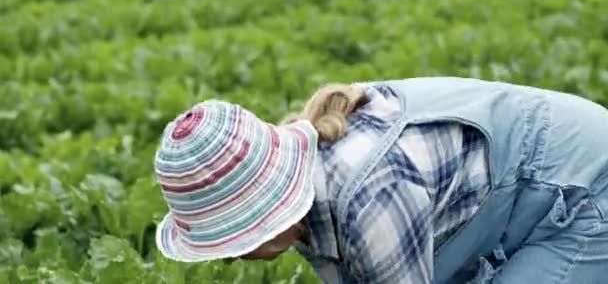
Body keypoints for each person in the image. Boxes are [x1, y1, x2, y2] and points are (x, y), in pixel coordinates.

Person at [152, 76, 608, 284]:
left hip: (584, 187)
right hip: (525, 192)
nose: (229, 259)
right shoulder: (310, 193)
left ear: (265, 215)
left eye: (229, 240)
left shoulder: (371, 199)